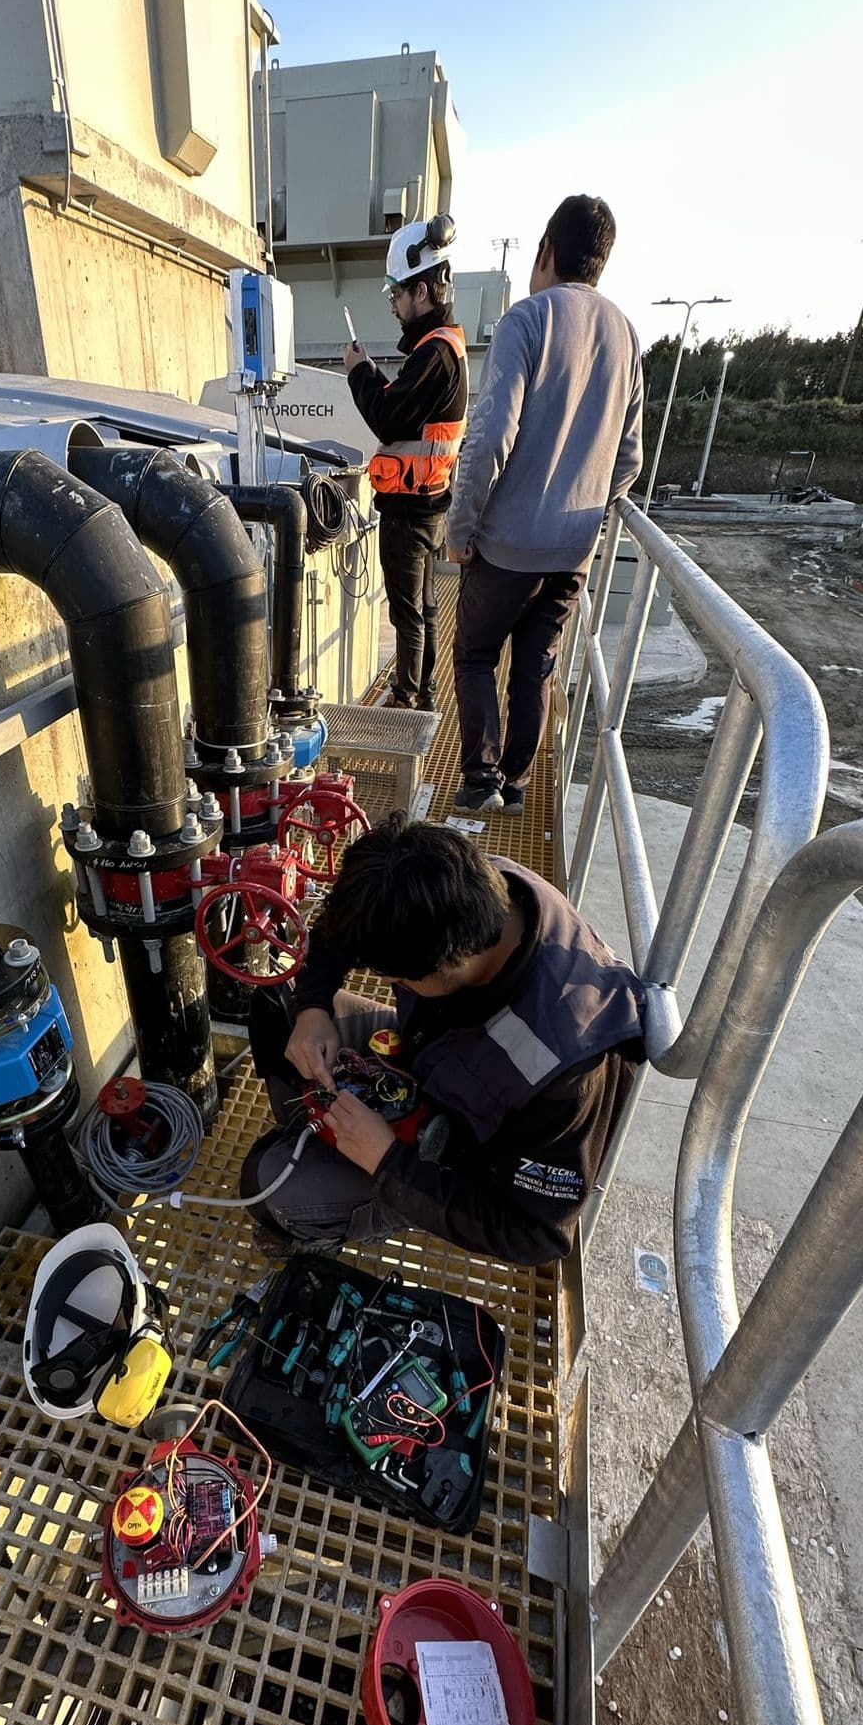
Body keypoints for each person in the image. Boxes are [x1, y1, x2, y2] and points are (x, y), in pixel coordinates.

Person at [241, 816, 645, 1268]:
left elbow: (536, 1236)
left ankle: (329, 1205)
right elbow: (339, 930)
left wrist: (388, 1163)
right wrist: (313, 1008)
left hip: (463, 1154)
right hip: (433, 1054)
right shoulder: (459, 880)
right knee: (278, 1002)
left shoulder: (565, 1066)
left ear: (445, 966)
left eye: (392, 978)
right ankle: (314, 1128)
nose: (387, 981)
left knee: (265, 1185)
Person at [444, 194, 644, 814]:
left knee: (476, 654)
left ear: (547, 251)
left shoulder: (527, 320)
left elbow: (488, 440)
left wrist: (461, 525)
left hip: (508, 546)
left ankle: (480, 781)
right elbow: (630, 458)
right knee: (535, 668)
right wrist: (585, 507)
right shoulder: (626, 335)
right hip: (573, 551)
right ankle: (518, 783)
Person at [343, 214, 469, 711]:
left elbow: (389, 418)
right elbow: (403, 406)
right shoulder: (441, 349)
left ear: (422, 292)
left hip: (412, 511)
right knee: (426, 608)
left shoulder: (434, 353)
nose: (394, 305)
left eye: (397, 294)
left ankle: (406, 697)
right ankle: (425, 691)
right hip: (429, 503)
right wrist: (374, 371)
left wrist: (357, 374)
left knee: (408, 612)